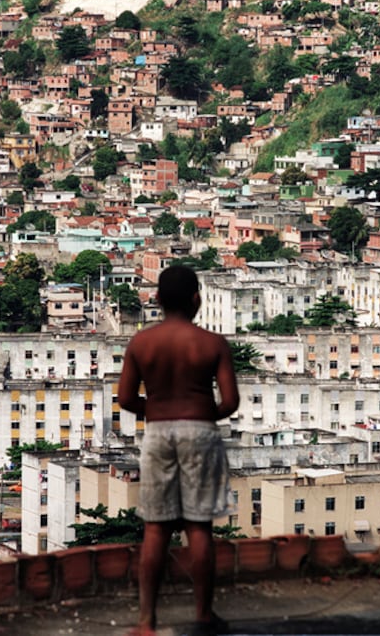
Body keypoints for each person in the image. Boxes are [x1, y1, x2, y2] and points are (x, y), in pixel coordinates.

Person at [118, 265, 240, 636]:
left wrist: (155, 408)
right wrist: (204, 413)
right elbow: (230, 401)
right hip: (200, 430)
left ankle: (146, 622)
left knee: (156, 529)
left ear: (156, 300)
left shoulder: (141, 343)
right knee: (198, 527)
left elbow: (125, 398)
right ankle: (203, 615)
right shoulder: (213, 343)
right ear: (196, 299)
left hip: (157, 431)